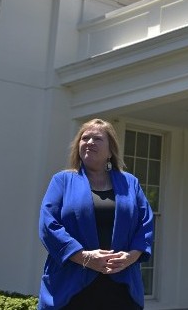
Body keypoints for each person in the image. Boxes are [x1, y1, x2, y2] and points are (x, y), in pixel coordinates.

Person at [38, 118, 154, 310]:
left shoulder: (130, 183)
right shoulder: (63, 181)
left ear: (110, 151)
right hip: (71, 288)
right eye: (85, 138)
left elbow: (146, 224)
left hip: (121, 287)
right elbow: (48, 225)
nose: (89, 142)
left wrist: (130, 257)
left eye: (97, 139)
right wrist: (84, 257)